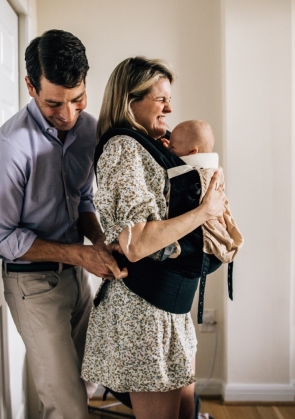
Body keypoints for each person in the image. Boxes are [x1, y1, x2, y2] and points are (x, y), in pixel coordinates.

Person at [0, 29, 125, 419]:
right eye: (53, 104)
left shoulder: (88, 131)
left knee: (85, 386)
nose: (68, 115)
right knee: (68, 408)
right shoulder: (8, 151)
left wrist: (99, 241)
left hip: (77, 279)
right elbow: (0, 237)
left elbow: (84, 198)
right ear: (30, 86)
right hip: (32, 287)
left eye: (77, 99)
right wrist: (80, 253)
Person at [81, 57, 228, 419]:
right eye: (160, 99)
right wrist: (204, 212)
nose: (170, 107)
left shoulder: (150, 146)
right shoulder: (122, 148)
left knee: (184, 412)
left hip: (167, 307)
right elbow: (136, 243)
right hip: (144, 311)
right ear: (130, 101)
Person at [165, 120, 243, 264]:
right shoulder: (210, 164)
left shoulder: (197, 176)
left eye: (171, 147)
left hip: (198, 240)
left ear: (193, 152)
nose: (168, 148)